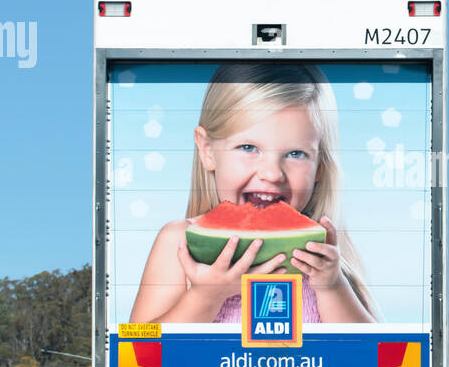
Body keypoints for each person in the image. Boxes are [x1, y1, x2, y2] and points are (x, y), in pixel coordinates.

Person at [129, 64, 378, 324]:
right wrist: (204, 298)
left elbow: (375, 357)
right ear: (207, 150)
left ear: (320, 168)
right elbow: (137, 353)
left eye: (296, 154)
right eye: (248, 147)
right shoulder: (179, 242)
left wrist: (332, 286)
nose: (272, 173)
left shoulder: (322, 253)